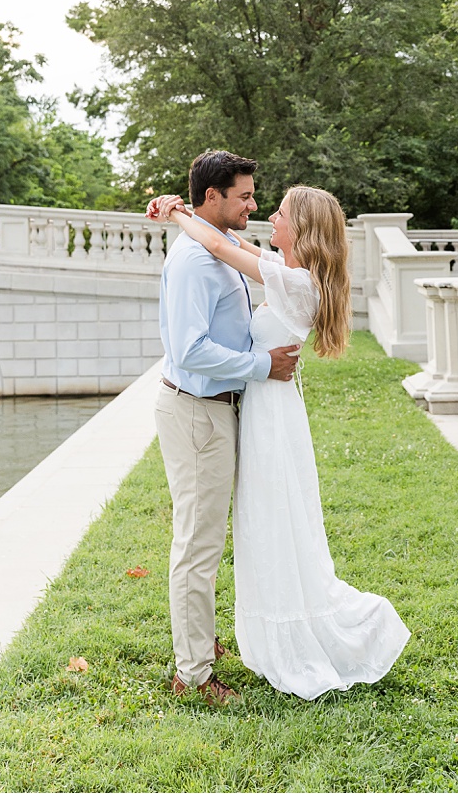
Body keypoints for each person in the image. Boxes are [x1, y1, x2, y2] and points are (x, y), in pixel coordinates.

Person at [148, 176, 411, 702]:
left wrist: (174, 214)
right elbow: (234, 246)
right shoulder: (292, 272)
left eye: (284, 213)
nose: (271, 216)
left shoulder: (295, 282)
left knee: (268, 523)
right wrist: (182, 215)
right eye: (254, 201)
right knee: (258, 524)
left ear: (303, 229)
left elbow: (224, 246)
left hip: (268, 412)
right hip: (264, 406)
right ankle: (220, 640)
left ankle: (275, 630)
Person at [149, 150, 303, 707]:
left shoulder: (224, 249)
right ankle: (192, 673)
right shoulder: (194, 262)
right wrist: (264, 366)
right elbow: (188, 349)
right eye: (244, 195)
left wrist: (172, 208)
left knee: (209, 539)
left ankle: (203, 645)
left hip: (221, 409)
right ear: (212, 197)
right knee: (197, 545)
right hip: (196, 410)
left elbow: (228, 250)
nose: (253, 205)